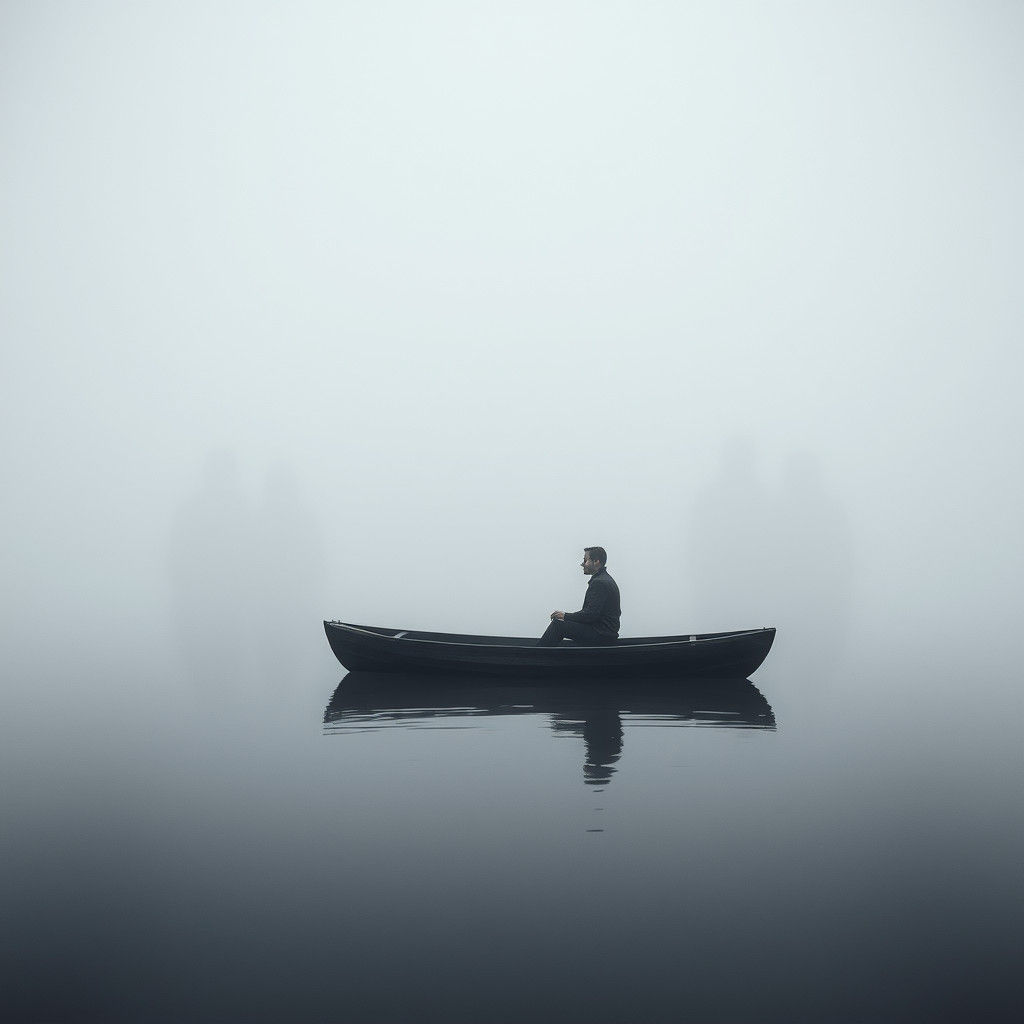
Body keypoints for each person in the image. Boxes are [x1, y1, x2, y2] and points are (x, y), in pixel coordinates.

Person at [537, 547, 621, 646]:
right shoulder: (604, 579)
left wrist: (565, 616)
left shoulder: (600, 582)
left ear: (596, 562)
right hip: (604, 633)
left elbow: (590, 615)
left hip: (602, 635)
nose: (582, 564)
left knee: (558, 626)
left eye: (585, 560)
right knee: (563, 623)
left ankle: (537, 655)